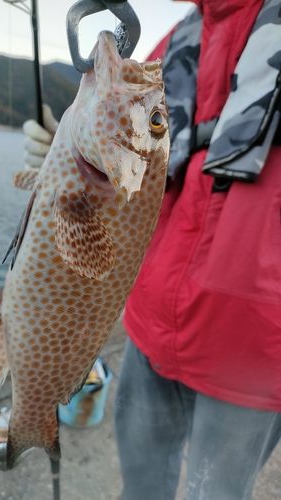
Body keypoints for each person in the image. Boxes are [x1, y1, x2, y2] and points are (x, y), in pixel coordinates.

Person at [22, 1, 281, 498]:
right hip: (148, 322)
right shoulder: (175, 40)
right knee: (140, 486)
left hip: (256, 346)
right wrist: (67, 152)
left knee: (220, 492)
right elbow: (131, 167)